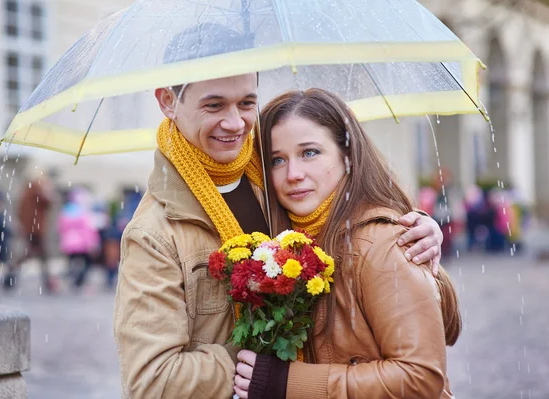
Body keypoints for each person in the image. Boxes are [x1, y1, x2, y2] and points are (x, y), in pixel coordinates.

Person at [113, 24, 445, 399]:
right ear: (168, 102)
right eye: (214, 104)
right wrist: (265, 363)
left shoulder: (274, 181)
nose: (235, 123)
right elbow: (153, 380)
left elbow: (425, 338)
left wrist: (419, 249)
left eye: (246, 103)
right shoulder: (155, 232)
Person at [233, 89, 461, 399]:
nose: (293, 174)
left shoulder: (381, 243)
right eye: (276, 160)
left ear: (347, 155)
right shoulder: (281, 245)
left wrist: (289, 383)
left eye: (309, 152)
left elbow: (421, 377)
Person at [3, 173, 57, 293]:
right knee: (39, 255)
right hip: (36, 230)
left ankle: (11, 273)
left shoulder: (26, 193)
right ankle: (48, 282)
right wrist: (49, 190)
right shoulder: (37, 191)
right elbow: (48, 202)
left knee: (37, 255)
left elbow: (20, 212)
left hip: (31, 229)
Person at [57, 186, 101, 289]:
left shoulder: (66, 210)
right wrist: (93, 242)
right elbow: (89, 229)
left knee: (72, 261)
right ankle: (79, 279)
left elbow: (61, 228)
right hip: (83, 243)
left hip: (69, 242)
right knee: (86, 262)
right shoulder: (84, 212)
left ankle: (73, 277)